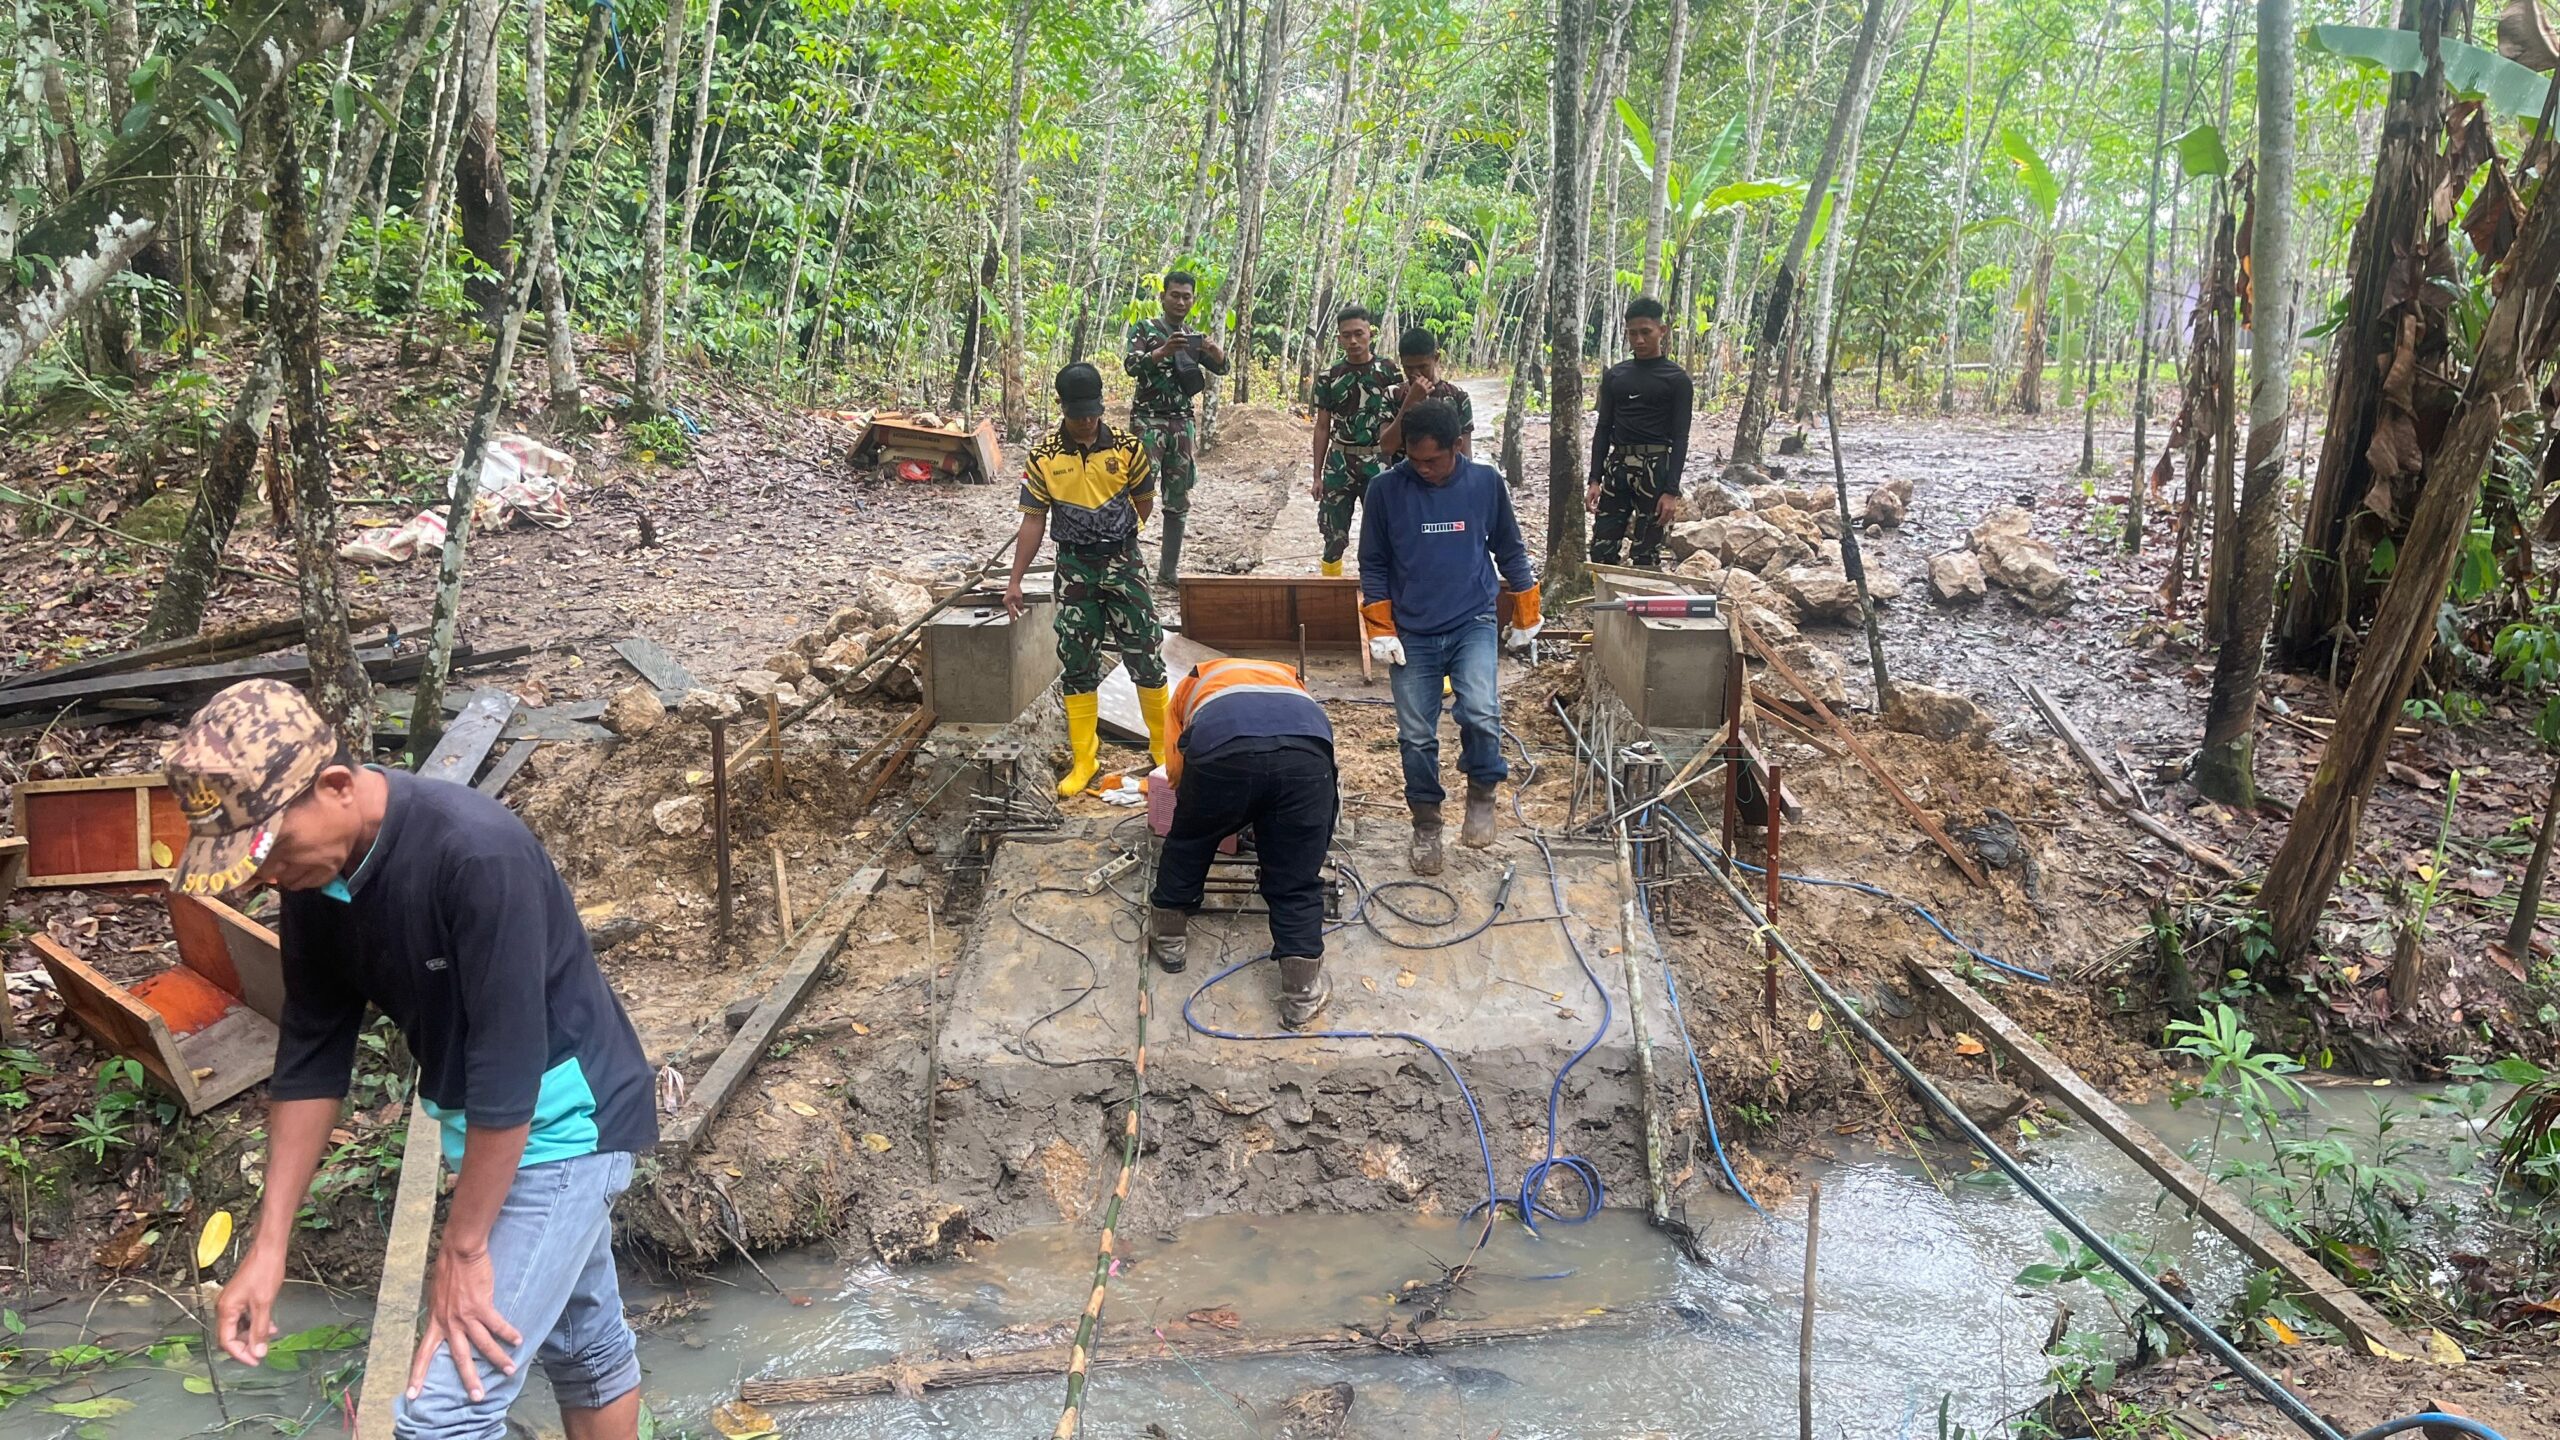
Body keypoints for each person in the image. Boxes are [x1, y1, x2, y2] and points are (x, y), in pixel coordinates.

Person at [179, 680, 656, 1440]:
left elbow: (508, 1065)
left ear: (335, 787)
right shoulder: (316, 877)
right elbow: (311, 1052)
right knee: (584, 1344)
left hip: (567, 1125)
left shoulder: (475, 854)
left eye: (271, 852)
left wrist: (462, 1249)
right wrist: (269, 1248)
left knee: (442, 1417)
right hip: (485, 1128)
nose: (266, 878)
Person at [1357, 400, 1540, 875]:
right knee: (1416, 736)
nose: (1423, 469)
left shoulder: (1484, 484)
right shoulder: (1385, 491)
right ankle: (1426, 822)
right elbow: (1373, 563)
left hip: (1471, 620)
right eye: (1413, 460)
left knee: (1480, 711)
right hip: (1412, 630)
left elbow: (1510, 548)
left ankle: (1482, 790)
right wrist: (1380, 626)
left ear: (1457, 446)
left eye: (1432, 460)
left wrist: (1526, 610)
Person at [1006, 361, 1171, 797]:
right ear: (1063, 408)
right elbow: (1033, 522)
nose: (1085, 421)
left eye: (1092, 412)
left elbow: (1145, 503)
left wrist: (1113, 533)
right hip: (1074, 568)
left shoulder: (1129, 448)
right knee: (1078, 659)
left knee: (1145, 653)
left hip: (1124, 563)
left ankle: (1163, 747)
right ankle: (1085, 758)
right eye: (1077, 413)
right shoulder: (1043, 458)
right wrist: (1015, 580)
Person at [1145, 657, 1339, 1027]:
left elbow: (1176, 767)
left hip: (1222, 751)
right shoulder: (1293, 685)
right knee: (1296, 879)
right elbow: (1312, 778)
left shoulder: (1194, 682)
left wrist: (1205, 811)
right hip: (1305, 759)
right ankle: (1302, 996)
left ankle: (1169, 939)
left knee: (1190, 842)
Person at [1123, 270, 1231, 587]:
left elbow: (1222, 368)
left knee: (1178, 497)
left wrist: (1211, 350)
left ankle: (1168, 572)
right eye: (1175, 295)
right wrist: (1162, 351)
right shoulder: (1145, 329)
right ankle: (1128, 564)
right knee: (1137, 492)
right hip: (1148, 420)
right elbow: (1131, 365)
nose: (1181, 301)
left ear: (1192, 301)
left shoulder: (1192, 336)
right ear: (1163, 297)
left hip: (1182, 423)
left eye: (1187, 297)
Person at [1586, 296, 1695, 568]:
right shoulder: (1616, 376)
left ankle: (1639, 606)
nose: (1639, 340)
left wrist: (1671, 491)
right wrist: (1594, 480)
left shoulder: (1677, 380)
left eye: (1646, 332)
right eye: (1633, 333)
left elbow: (1681, 438)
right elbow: (1603, 428)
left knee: (1646, 551)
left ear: (1662, 331)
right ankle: (1605, 609)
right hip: (1618, 464)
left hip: (1656, 466)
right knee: (1602, 548)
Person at [1308, 306, 1401, 578]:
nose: (1353, 341)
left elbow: (1400, 420)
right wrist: (1316, 475)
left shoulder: (1388, 371)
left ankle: (1381, 592)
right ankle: (1330, 590)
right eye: (1346, 336)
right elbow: (1322, 426)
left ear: (1370, 333)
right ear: (1339, 339)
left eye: (1359, 334)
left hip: (1378, 460)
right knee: (1333, 535)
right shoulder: (1329, 376)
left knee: (1384, 533)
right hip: (1340, 462)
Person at [1377, 325, 1474, 462]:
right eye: (1408, 368)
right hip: (1405, 479)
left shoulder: (1457, 396)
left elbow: (1465, 453)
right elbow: (1387, 447)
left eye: (1423, 367)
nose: (1416, 373)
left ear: (1436, 358)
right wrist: (1410, 401)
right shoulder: (1392, 394)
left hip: (1446, 480)